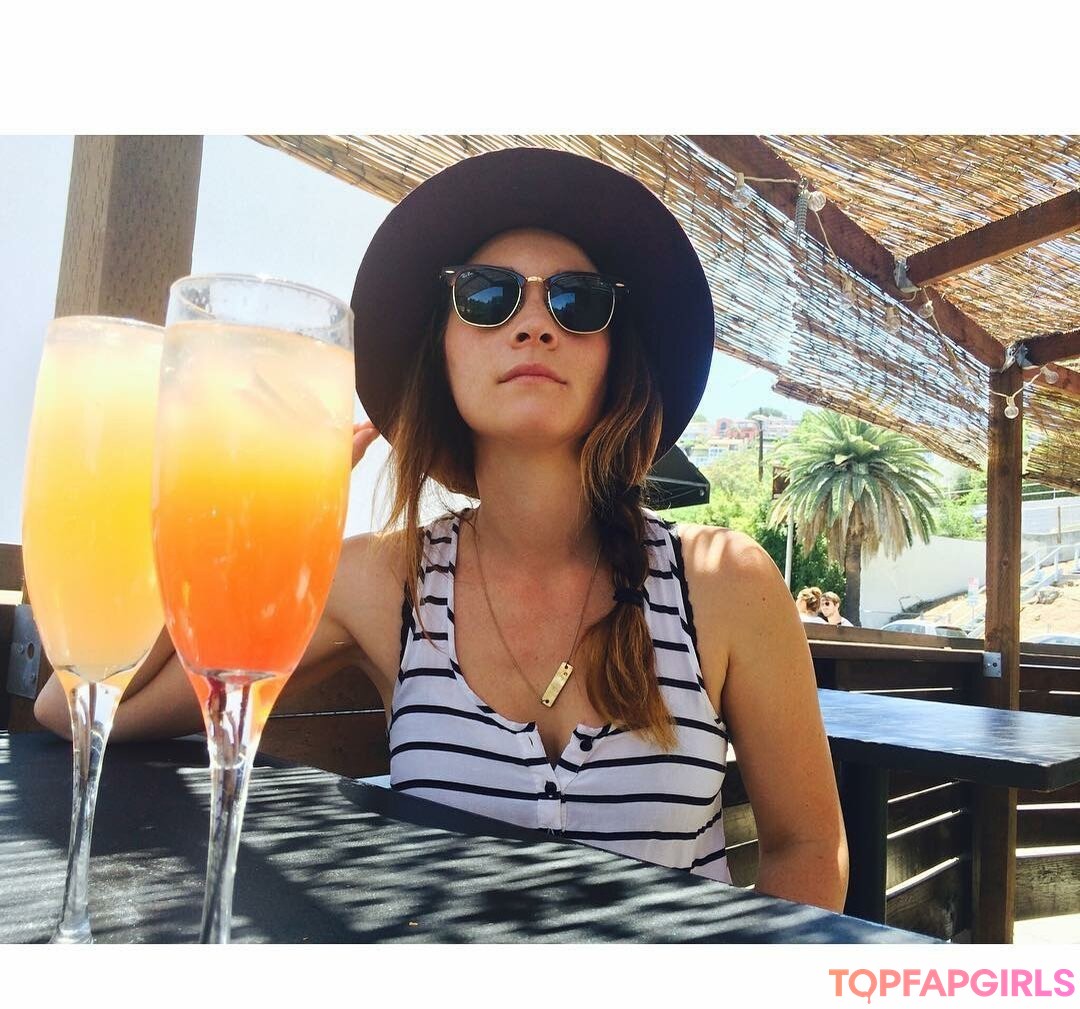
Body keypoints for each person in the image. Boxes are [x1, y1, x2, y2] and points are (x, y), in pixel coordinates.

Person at [34, 148, 847, 912]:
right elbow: (82, 703)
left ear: (615, 357)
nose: (535, 324)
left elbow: (808, 844)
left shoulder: (726, 582)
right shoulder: (382, 581)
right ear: (442, 350)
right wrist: (237, 493)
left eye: (578, 301)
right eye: (487, 296)